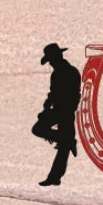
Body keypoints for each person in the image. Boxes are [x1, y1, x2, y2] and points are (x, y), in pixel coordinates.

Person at [33, 42, 82, 185]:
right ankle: (54, 177)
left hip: (63, 110)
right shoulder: (70, 71)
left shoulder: (63, 73)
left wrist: (49, 107)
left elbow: (58, 94)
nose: (51, 64)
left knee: (39, 130)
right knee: (64, 146)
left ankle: (54, 177)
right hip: (65, 110)